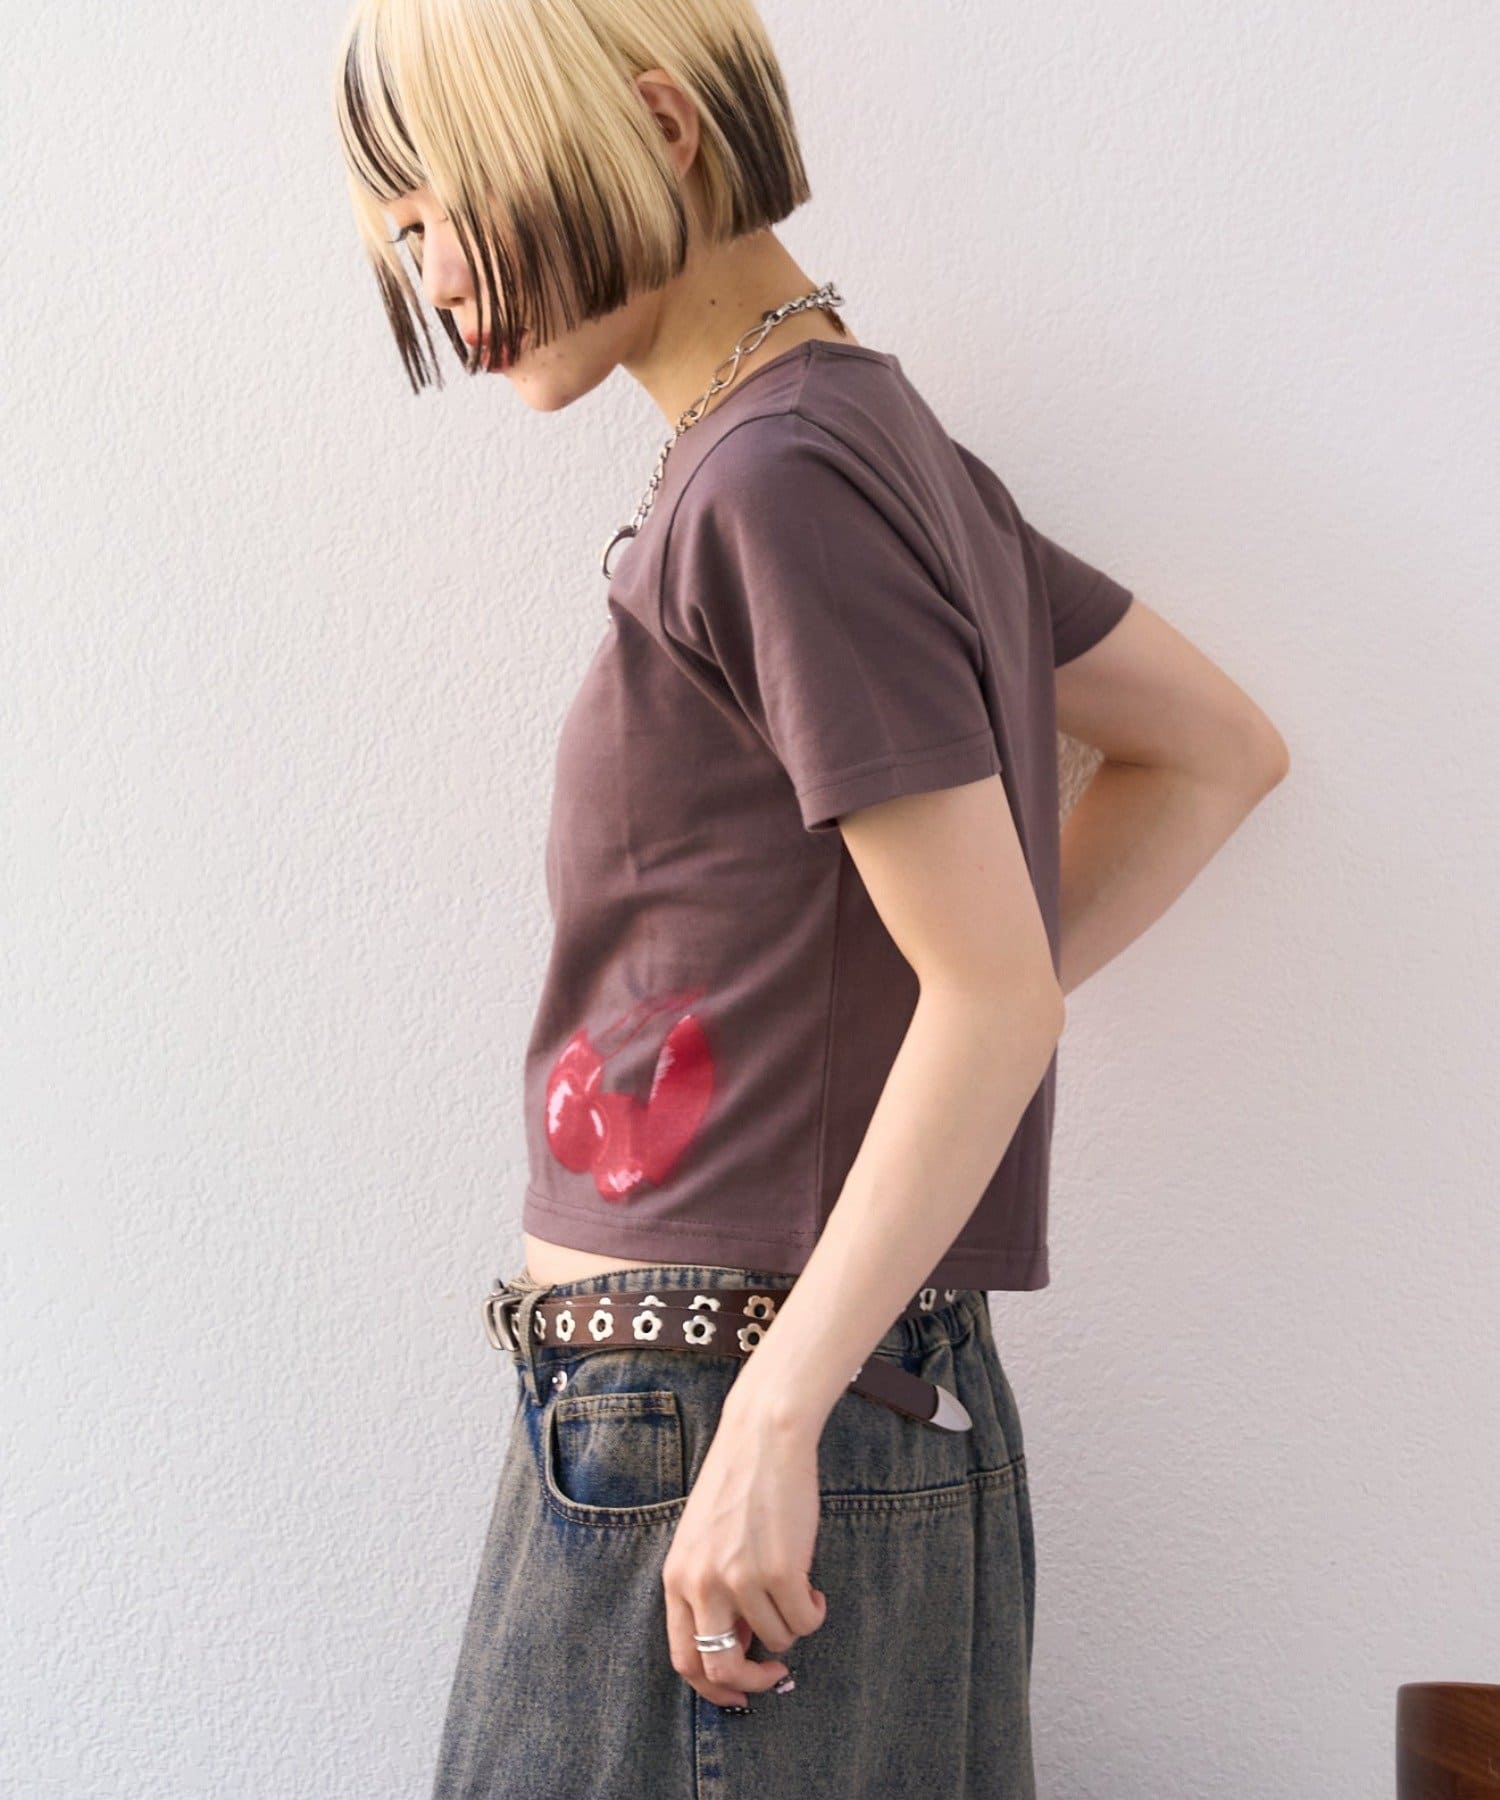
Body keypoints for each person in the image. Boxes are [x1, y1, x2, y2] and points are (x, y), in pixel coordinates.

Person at [330, 2, 1290, 1794]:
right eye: (398, 230)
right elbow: (1210, 753)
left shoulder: (777, 477)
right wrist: (904, 1029)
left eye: (445, 203)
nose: (431, 275)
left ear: (660, 128)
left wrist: (772, 1411)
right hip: (797, 1400)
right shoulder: (869, 449)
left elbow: (1000, 987)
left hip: (733, 1414)